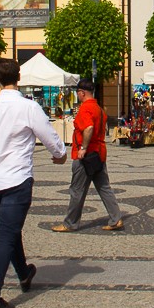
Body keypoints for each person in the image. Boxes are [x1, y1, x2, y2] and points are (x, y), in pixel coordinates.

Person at [0, 58, 67, 308]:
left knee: (9, 229)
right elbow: (50, 138)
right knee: (5, 235)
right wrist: (60, 154)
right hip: (16, 181)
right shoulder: (28, 107)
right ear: (19, 77)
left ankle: (24, 273)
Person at [51, 79, 124, 231]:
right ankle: (116, 219)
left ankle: (70, 223)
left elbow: (88, 127)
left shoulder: (85, 109)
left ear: (82, 93)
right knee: (104, 187)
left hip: (86, 156)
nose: (77, 95)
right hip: (99, 154)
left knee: (77, 190)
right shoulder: (99, 108)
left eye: (78, 93)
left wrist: (83, 147)